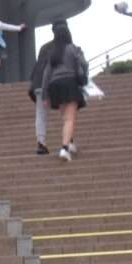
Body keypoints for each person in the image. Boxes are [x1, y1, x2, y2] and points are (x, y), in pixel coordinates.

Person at [42, 24, 88, 162]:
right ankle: (65, 148)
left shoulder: (53, 53)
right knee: (69, 119)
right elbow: (84, 63)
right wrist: (84, 76)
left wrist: (45, 94)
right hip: (69, 83)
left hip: (55, 86)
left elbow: (46, 74)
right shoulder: (73, 48)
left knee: (66, 118)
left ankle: (70, 143)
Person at [28, 19, 68, 155]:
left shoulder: (45, 47)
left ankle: (41, 143)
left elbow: (38, 68)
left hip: (40, 84)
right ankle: (68, 141)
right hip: (59, 83)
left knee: (41, 114)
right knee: (67, 114)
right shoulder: (69, 47)